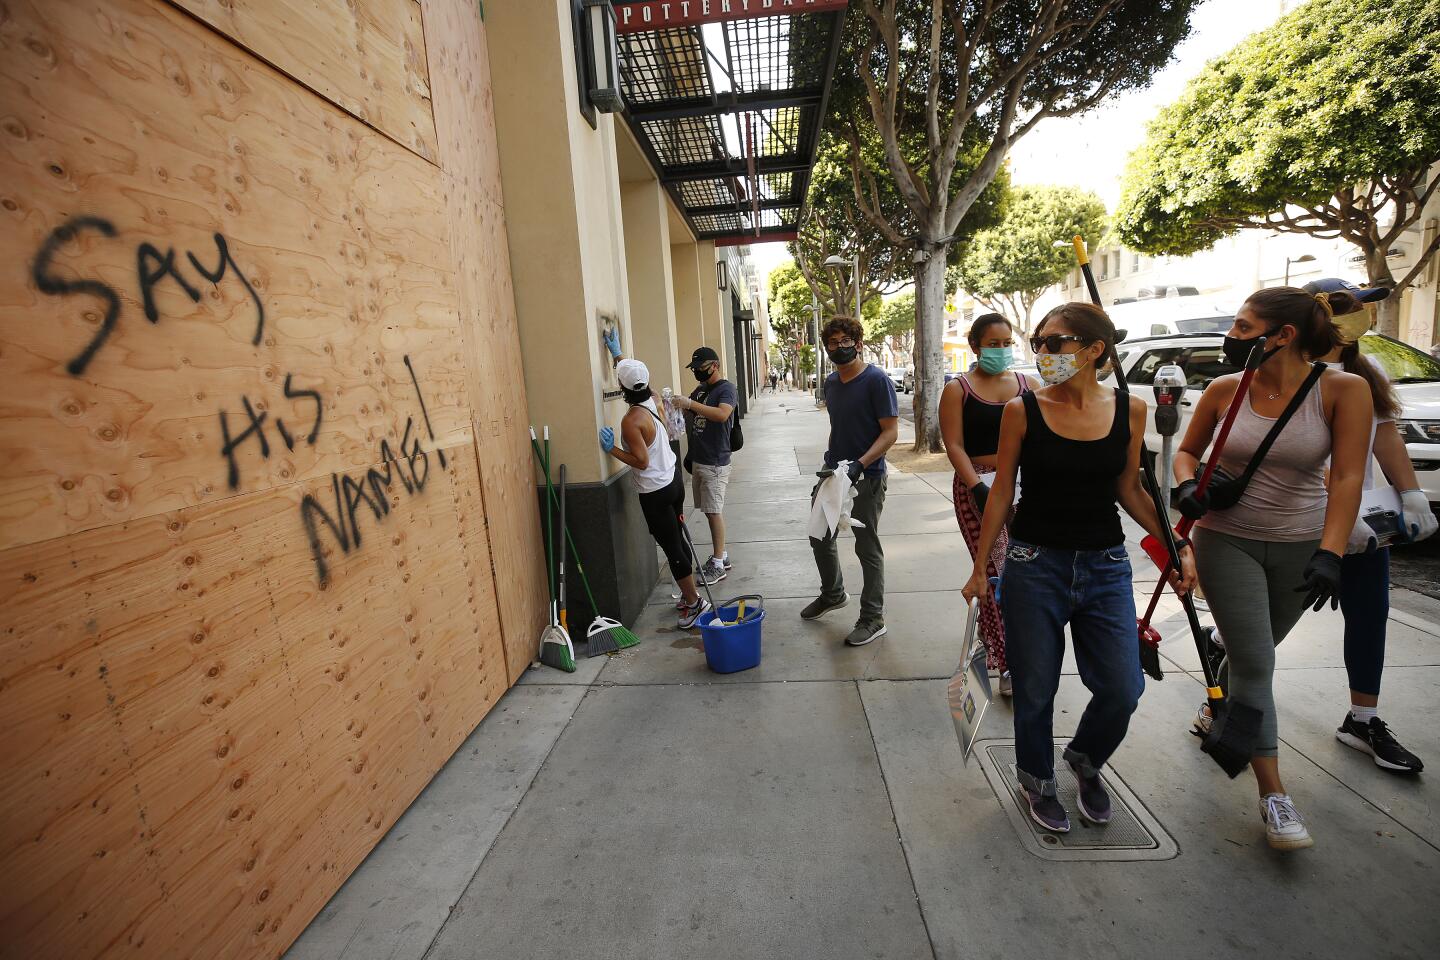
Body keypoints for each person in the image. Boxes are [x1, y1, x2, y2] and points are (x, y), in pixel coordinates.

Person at [962, 302, 1196, 835]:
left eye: (1056, 343)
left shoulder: (1130, 410)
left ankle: (1086, 758)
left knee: (1122, 686)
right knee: (1035, 688)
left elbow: (1130, 489)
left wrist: (1176, 543)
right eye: (1039, 342)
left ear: (1095, 350)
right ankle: (1037, 779)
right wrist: (981, 568)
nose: (1042, 352)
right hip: (1032, 563)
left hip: (1106, 565)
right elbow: (1001, 494)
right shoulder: (1022, 410)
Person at [1173, 286, 1371, 850]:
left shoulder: (1342, 390)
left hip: (1298, 546)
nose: (1231, 338)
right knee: (1257, 664)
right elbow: (1188, 451)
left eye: (1241, 328)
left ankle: (1222, 713)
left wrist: (1331, 553)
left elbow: (1348, 477)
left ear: (1282, 336)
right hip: (1225, 541)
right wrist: (1189, 485)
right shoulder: (1223, 389)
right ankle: (1274, 798)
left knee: (1249, 656)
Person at [1302, 279, 1433, 772]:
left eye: (1362, 310)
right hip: (1297, 520)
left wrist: (1412, 494)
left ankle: (1363, 718)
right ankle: (1223, 653)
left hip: (1360, 521)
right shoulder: (1288, 371)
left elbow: (1385, 437)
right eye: (1350, 309)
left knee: (1369, 614)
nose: (1359, 318)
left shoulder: (1364, 370)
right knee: (1271, 618)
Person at [939, 313, 1040, 696]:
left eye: (1006, 343)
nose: (1001, 350)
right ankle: (1007, 662)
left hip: (1022, 486)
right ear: (975, 346)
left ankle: (1002, 638)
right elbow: (954, 445)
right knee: (996, 570)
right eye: (993, 344)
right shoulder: (958, 389)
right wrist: (975, 486)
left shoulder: (1027, 385)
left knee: (1023, 568)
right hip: (976, 489)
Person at [803, 316, 898, 647]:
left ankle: (873, 618)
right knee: (819, 536)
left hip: (867, 477)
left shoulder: (876, 381)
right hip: (833, 474)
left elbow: (890, 433)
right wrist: (835, 464)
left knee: (866, 546)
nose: (839, 348)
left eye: (846, 342)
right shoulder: (831, 383)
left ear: (858, 344)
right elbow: (841, 425)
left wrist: (861, 464)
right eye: (833, 343)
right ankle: (833, 594)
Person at [599, 358, 711, 629]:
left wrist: (611, 448)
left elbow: (640, 461)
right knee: (677, 538)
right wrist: (618, 355)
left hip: (655, 492)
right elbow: (635, 379)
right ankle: (689, 596)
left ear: (621, 387)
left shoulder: (631, 420)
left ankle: (695, 603)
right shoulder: (655, 399)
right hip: (672, 483)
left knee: (672, 548)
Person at [671, 347, 737, 585]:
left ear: (715, 365)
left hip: (715, 461)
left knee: (713, 511)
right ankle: (723, 556)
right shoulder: (701, 390)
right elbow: (689, 410)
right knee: (709, 511)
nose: (698, 372)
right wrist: (676, 402)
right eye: (695, 369)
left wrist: (690, 403)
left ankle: (718, 563)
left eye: (701, 368)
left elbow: (722, 414)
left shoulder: (726, 389)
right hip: (699, 458)